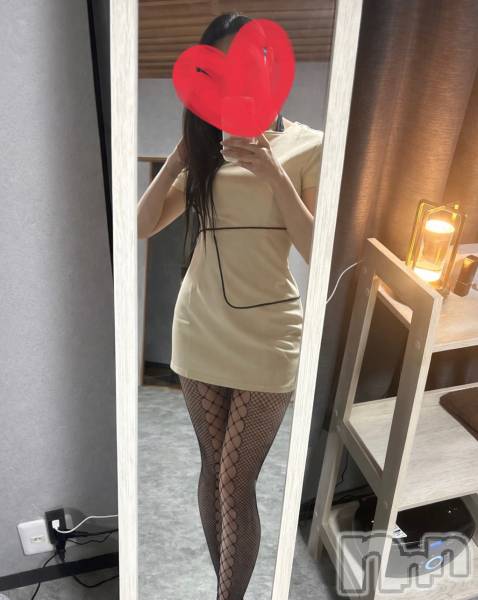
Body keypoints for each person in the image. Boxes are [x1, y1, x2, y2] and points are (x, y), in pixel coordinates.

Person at [137, 12, 323, 600]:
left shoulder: (310, 145)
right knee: (211, 467)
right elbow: (142, 224)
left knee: (236, 481)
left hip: (269, 331)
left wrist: (273, 172)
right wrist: (179, 156)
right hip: (199, 324)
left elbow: (318, 248)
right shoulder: (205, 145)